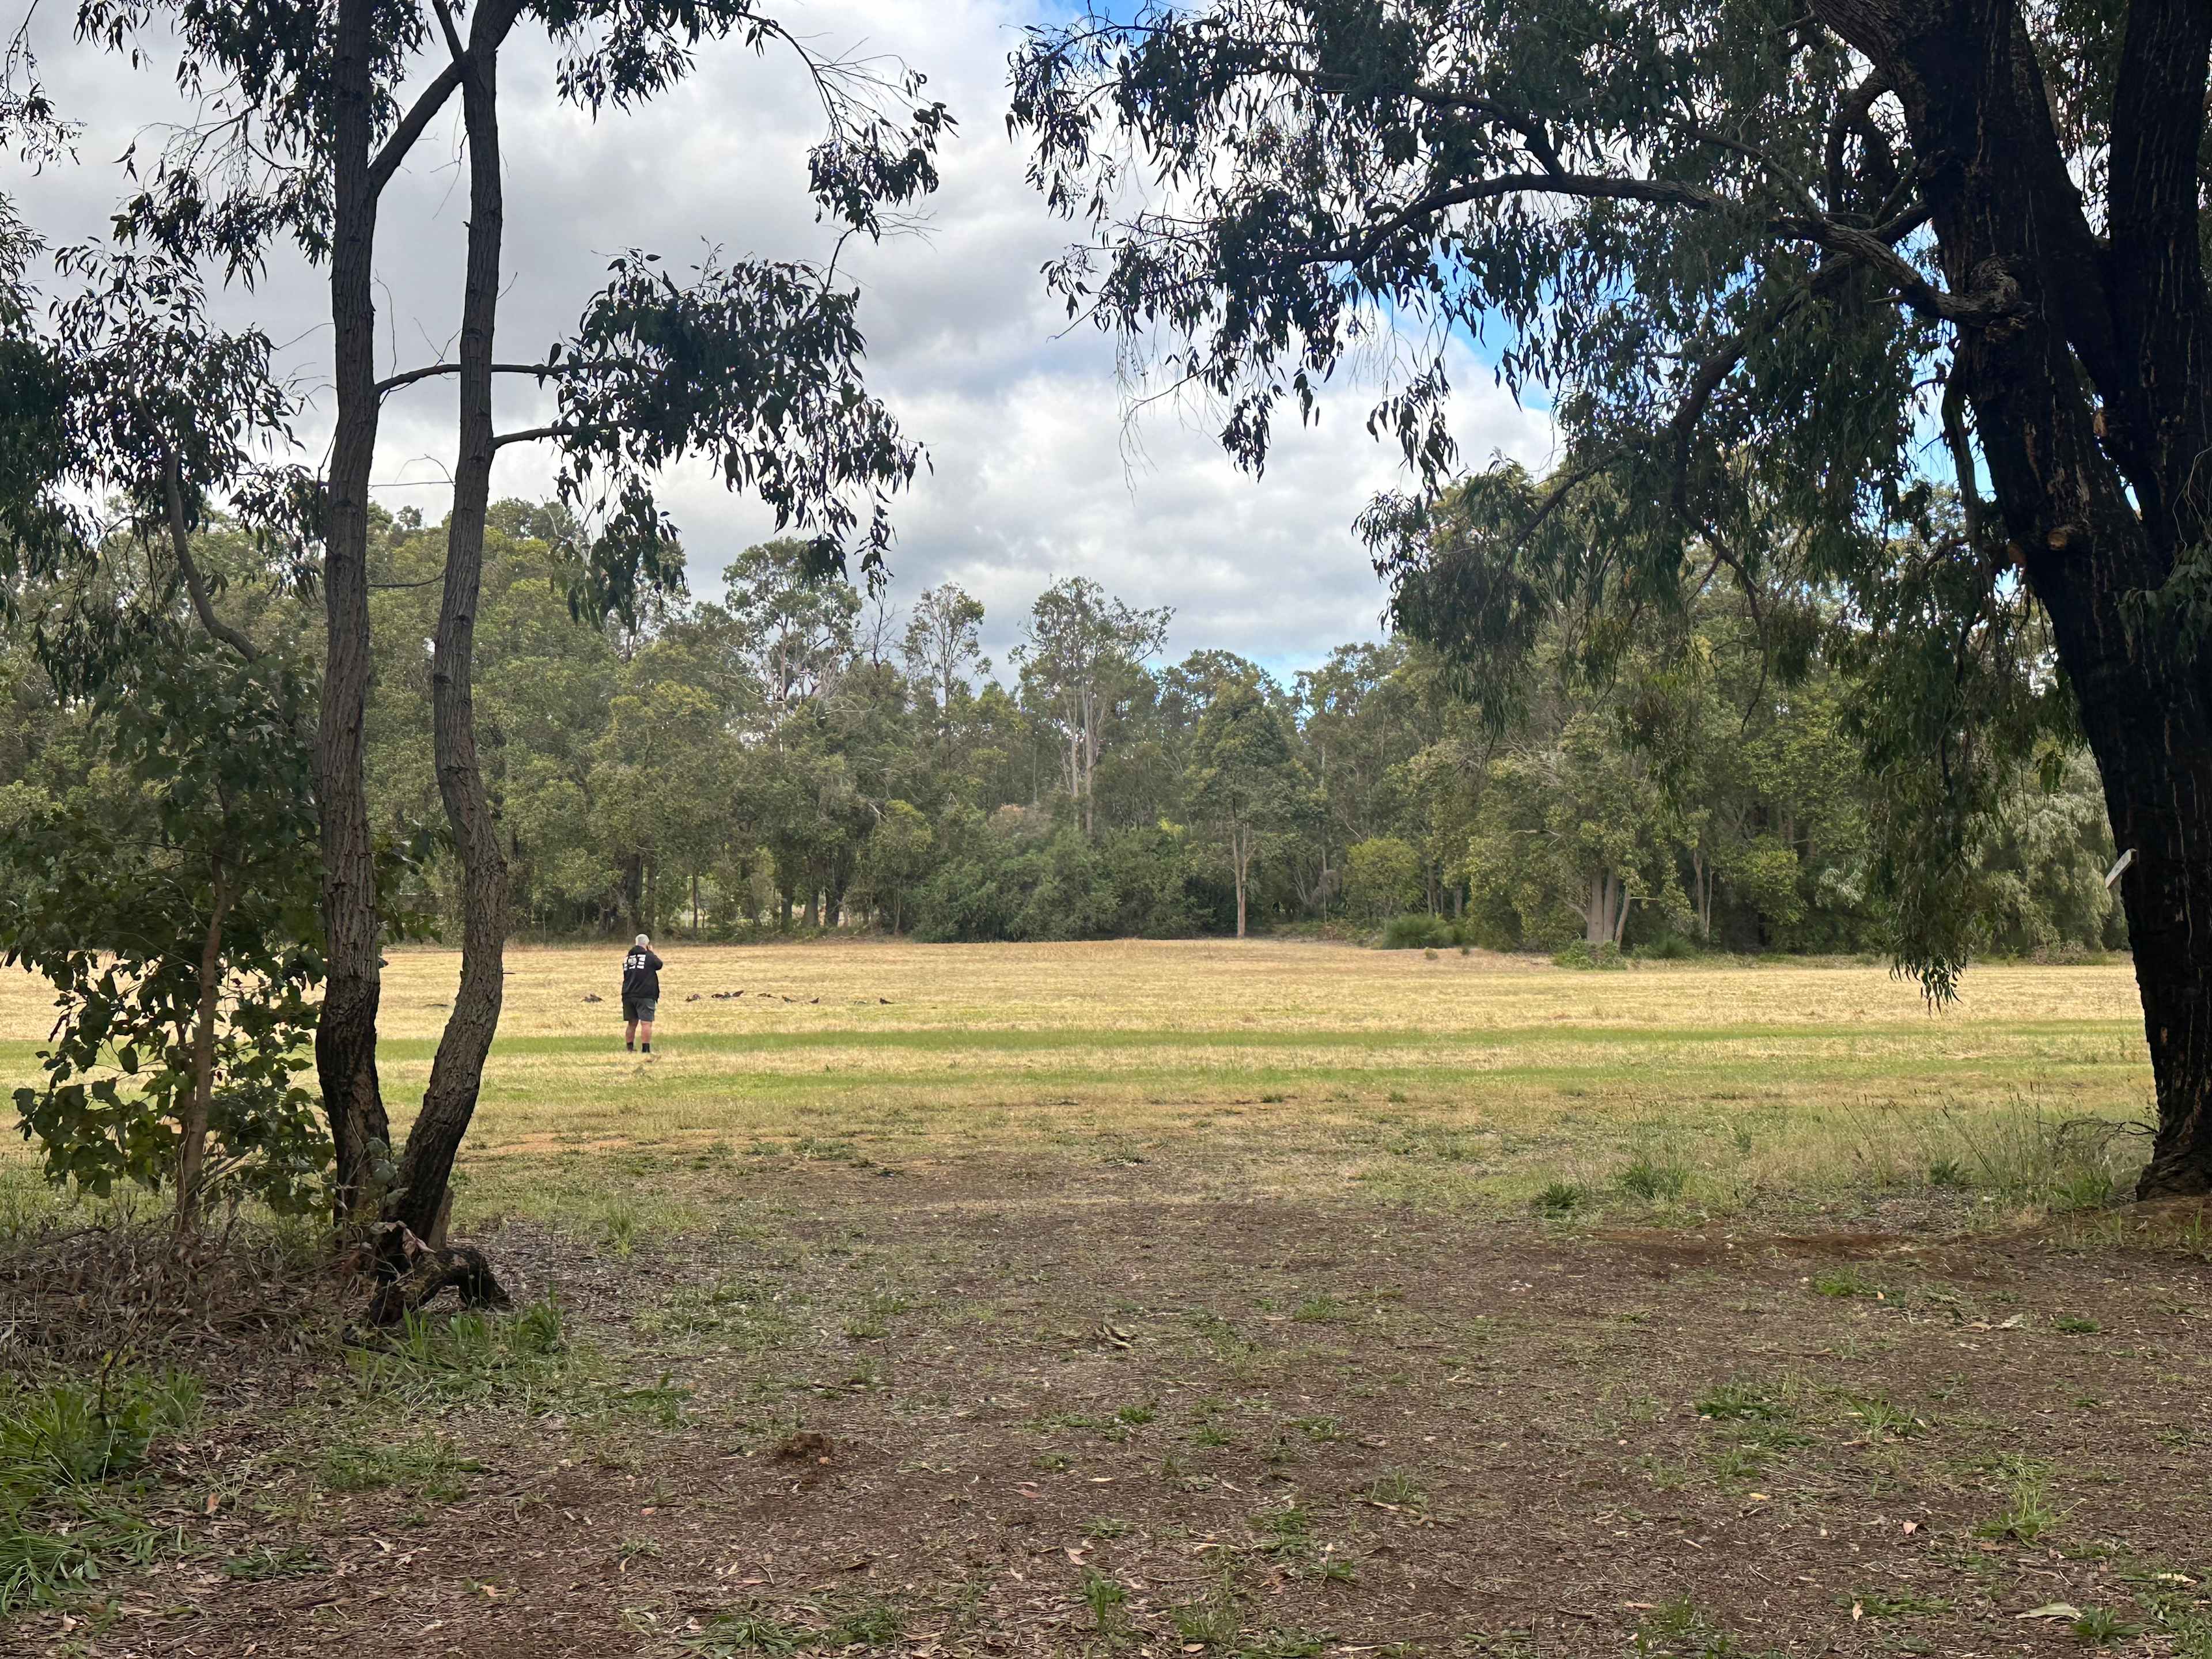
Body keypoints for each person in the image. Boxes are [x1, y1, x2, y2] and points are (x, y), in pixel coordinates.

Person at [622, 933, 663, 1054]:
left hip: (628, 994)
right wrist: (651, 952)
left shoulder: (627, 959)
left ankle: (630, 1048)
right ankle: (646, 1050)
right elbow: (659, 965)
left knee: (632, 1023)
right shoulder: (649, 957)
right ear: (647, 945)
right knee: (646, 1023)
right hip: (645, 994)